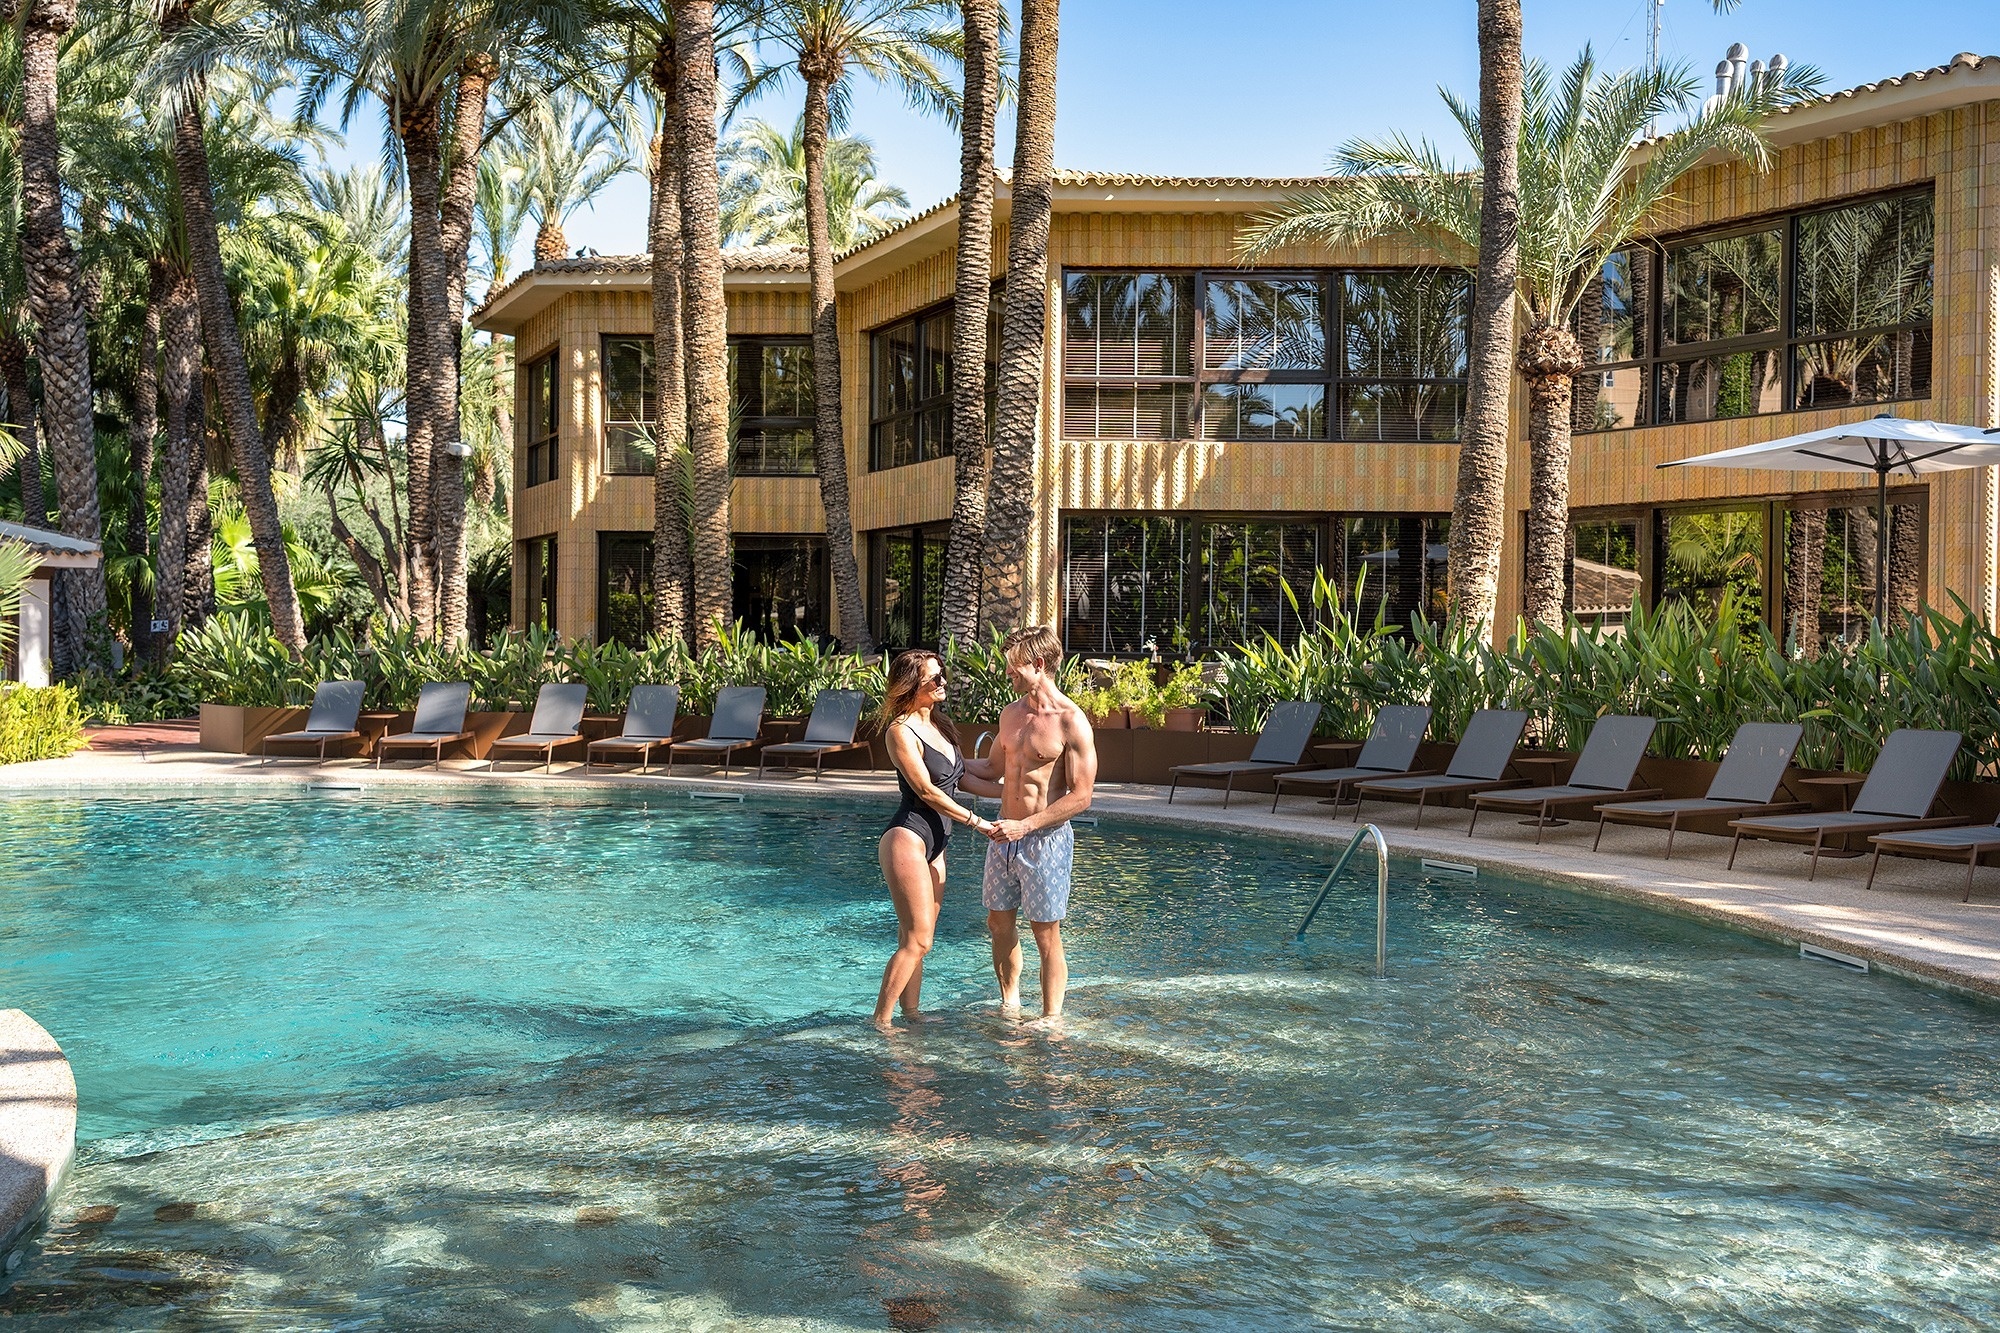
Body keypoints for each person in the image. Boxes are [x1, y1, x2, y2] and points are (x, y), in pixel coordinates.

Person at [964, 626, 1098, 1022]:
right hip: (1002, 837)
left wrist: (1026, 826)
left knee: (1045, 932)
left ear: (1039, 665)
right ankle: (1010, 1003)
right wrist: (937, 759)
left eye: (1014, 666)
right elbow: (991, 769)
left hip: (1045, 840)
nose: (1008, 673)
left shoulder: (1072, 722)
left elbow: (1082, 796)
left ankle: (1051, 1018)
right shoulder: (1010, 714)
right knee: (997, 922)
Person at [872, 650, 1001, 1029]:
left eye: (942, 674)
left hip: (936, 845)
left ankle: (911, 1015)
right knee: (918, 940)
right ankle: (880, 1023)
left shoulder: (940, 725)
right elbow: (927, 791)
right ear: (913, 685)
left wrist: (1024, 794)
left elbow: (963, 778)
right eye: (934, 678)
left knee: (917, 940)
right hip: (908, 837)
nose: (943, 682)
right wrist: (977, 822)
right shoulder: (900, 731)